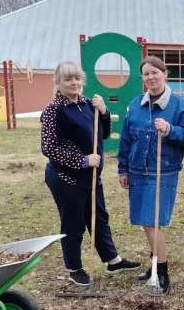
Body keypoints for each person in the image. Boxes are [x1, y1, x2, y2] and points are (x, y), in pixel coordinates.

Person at [41, 60, 140, 286]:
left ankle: (112, 260)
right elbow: (48, 147)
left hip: (91, 176)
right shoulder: (53, 110)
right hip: (66, 178)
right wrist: (82, 160)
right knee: (73, 222)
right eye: (68, 79)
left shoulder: (86, 104)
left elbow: (102, 134)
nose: (74, 83)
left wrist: (104, 112)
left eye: (77, 78)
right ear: (58, 82)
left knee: (99, 217)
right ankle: (74, 267)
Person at [117, 56, 184, 295]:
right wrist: (123, 168)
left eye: (155, 73)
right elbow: (126, 139)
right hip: (138, 172)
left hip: (163, 171)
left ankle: (162, 274)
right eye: (146, 74)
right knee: (145, 222)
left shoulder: (177, 105)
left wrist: (170, 130)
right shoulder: (135, 104)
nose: (151, 77)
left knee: (153, 222)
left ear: (165, 73)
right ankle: (153, 265)